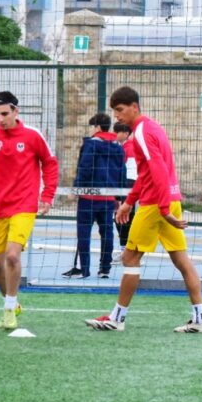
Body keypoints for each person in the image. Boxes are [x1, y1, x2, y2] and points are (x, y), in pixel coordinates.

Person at [86, 86, 202, 332]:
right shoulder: (153, 127)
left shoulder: (140, 133)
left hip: (155, 204)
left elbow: (158, 170)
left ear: (134, 107)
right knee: (181, 259)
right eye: (114, 111)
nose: (116, 116)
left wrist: (162, 210)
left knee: (130, 257)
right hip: (170, 199)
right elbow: (148, 173)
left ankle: (117, 318)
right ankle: (201, 318)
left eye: (119, 110)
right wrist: (130, 201)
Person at [0, 91, 58, 331]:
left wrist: (47, 195)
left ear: (16, 111)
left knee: (12, 256)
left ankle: (8, 310)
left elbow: (50, 163)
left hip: (24, 206)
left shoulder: (32, 135)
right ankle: (12, 302)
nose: (0, 119)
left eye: (5, 113)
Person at [63, 113, 124, 280]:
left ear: (97, 127)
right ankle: (105, 268)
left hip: (89, 198)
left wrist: (76, 189)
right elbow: (121, 172)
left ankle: (84, 269)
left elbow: (85, 167)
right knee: (107, 233)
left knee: (83, 233)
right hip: (108, 198)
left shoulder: (91, 145)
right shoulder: (118, 146)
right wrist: (119, 197)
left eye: (92, 127)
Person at [113, 121, 137, 258]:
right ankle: (127, 249)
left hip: (128, 184)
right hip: (126, 184)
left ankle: (127, 251)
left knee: (123, 217)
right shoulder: (124, 146)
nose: (115, 135)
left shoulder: (128, 147)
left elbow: (128, 170)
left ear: (126, 134)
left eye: (118, 132)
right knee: (124, 217)